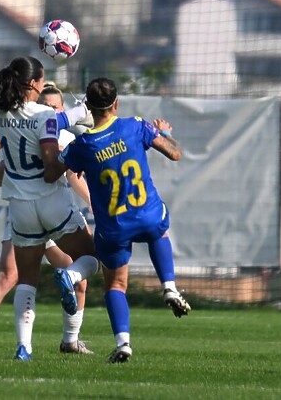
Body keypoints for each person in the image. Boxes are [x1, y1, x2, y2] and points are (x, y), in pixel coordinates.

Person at [45, 77, 191, 364]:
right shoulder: (135, 126)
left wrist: (51, 143)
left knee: (115, 286)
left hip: (113, 226)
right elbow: (175, 153)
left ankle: (123, 344)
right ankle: (170, 287)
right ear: (116, 104)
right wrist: (162, 131)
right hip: (147, 214)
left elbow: (52, 173)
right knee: (158, 233)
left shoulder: (82, 145)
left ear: (87, 106)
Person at [0, 56, 99, 361]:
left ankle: (24, 348)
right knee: (92, 258)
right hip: (50, 201)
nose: (43, 85)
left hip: (20, 208)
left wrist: (76, 113)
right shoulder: (43, 115)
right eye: (42, 81)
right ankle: (69, 278)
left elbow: (51, 120)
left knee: (26, 279)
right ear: (33, 84)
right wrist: (70, 155)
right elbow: (50, 165)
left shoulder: (0, 116)